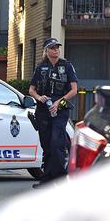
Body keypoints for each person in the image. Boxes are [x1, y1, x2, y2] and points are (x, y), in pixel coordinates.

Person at [29, 38, 78, 188]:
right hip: (43, 110)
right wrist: (39, 97)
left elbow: (74, 90)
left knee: (57, 143)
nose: (56, 50)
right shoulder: (40, 67)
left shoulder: (67, 66)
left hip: (60, 109)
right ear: (46, 51)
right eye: (52, 47)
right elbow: (32, 90)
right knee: (47, 145)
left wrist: (58, 102)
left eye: (57, 47)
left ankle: (61, 178)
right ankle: (47, 179)